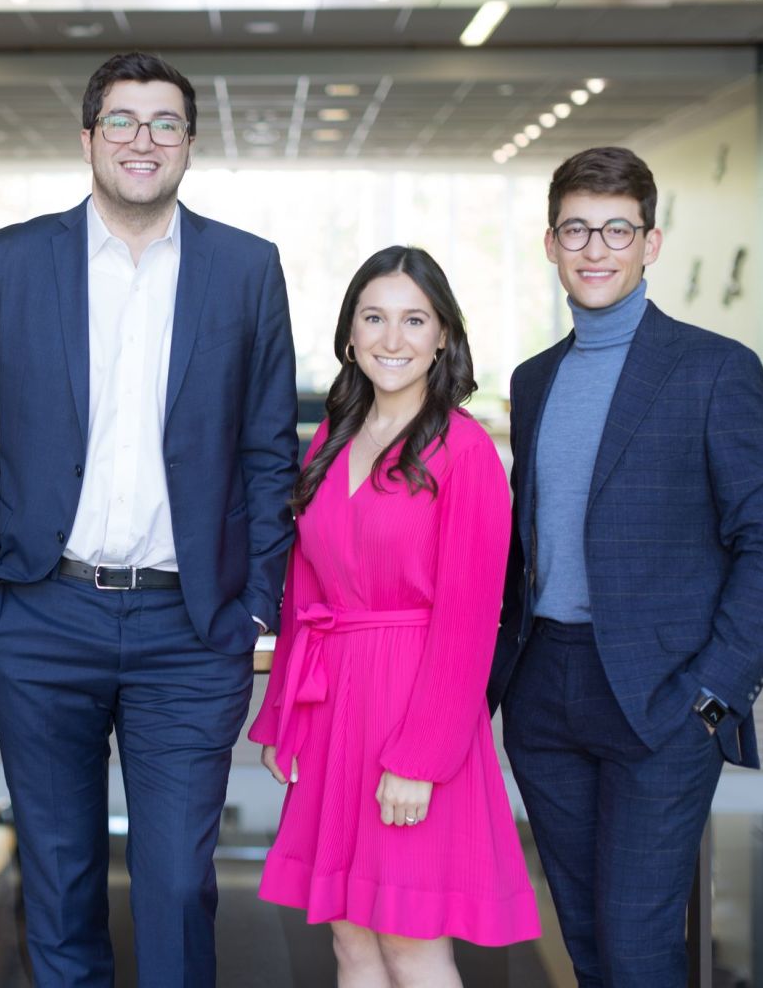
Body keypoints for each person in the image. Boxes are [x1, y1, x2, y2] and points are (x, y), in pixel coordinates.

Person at [0, 51, 299, 986]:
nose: (143, 141)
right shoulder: (9, 261)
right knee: (58, 879)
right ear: (88, 136)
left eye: (165, 124)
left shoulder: (245, 269)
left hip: (190, 627)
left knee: (179, 885)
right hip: (40, 612)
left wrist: (254, 605)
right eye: (123, 122)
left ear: (188, 143)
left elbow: (270, 451)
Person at [489, 146, 763, 987]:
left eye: (615, 230)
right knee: (586, 943)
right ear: (549, 243)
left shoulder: (712, 368)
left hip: (662, 697)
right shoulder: (534, 380)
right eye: (576, 229)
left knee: (637, 947)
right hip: (543, 691)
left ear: (649, 243)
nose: (595, 248)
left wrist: (714, 691)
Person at [250, 246, 540, 987]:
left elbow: (471, 619)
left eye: (414, 320)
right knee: (351, 942)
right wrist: (285, 718)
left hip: (414, 714)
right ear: (348, 334)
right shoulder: (329, 439)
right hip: (333, 710)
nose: (391, 338)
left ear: (443, 335)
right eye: (373, 318)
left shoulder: (465, 449)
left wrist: (420, 757)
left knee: (410, 943)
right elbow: (302, 594)